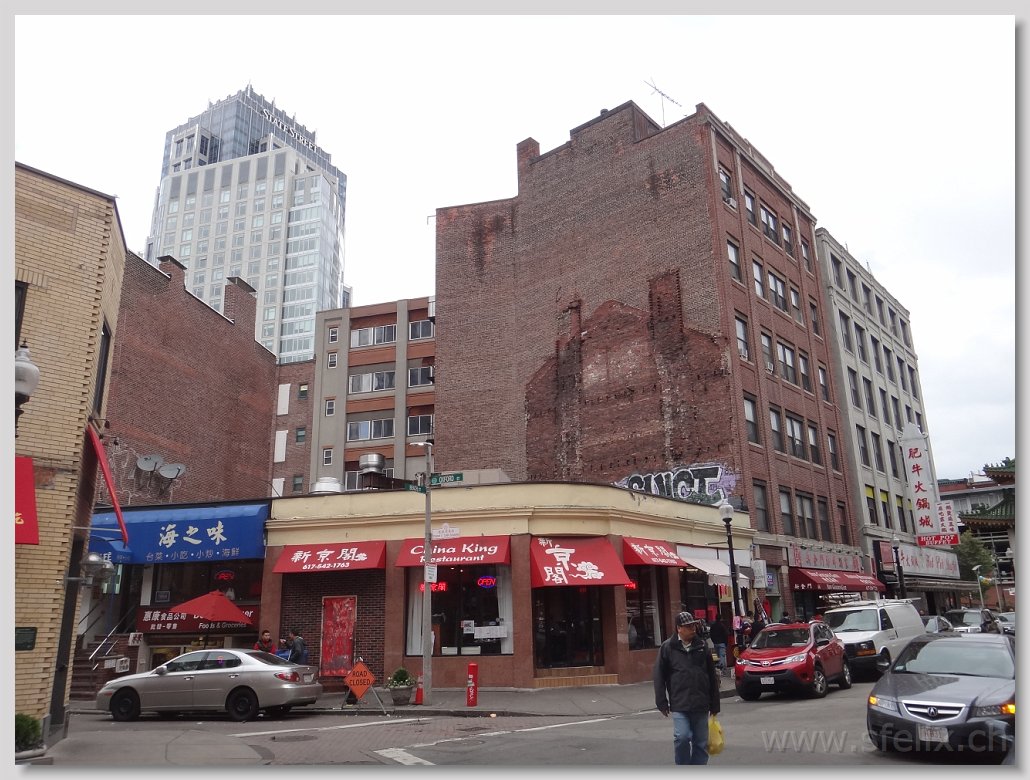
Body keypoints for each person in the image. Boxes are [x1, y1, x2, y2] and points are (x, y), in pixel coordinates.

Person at [653, 612, 721, 765]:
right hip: (680, 703)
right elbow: (659, 676)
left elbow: (712, 676)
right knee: (682, 737)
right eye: (688, 626)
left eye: (694, 625)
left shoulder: (702, 646)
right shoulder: (668, 647)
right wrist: (661, 702)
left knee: (700, 743)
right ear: (679, 628)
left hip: (701, 703)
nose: (693, 629)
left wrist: (715, 704)